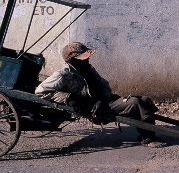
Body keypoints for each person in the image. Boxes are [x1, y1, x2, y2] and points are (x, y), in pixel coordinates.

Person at [35, 42, 166, 147]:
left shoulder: (89, 69)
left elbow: (104, 85)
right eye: (83, 59)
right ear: (73, 61)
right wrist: (69, 98)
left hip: (103, 102)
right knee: (135, 103)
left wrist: (103, 99)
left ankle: (147, 133)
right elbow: (41, 91)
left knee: (144, 99)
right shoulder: (63, 74)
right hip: (92, 108)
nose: (87, 60)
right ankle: (148, 138)